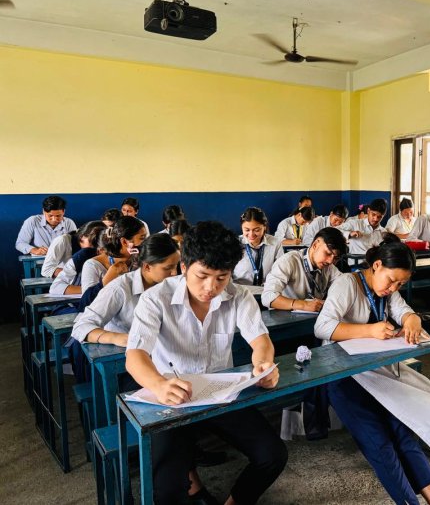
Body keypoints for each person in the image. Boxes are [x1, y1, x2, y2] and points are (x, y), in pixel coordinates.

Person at [126, 221, 287, 504]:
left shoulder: (239, 295)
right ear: (184, 266)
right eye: (202, 276)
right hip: (174, 400)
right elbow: (135, 355)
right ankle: (193, 487)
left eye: (222, 277)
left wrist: (264, 365)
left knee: (272, 455)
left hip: (219, 393)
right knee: (165, 487)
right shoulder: (155, 299)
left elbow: (260, 340)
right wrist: (160, 385)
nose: (211, 287)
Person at [314, 233, 430, 504]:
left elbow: (403, 309)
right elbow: (321, 327)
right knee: (379, 443)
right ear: (377, 266)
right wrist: (370, 330)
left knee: (404, 433)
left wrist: (413, 318)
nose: (393, 288)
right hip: (342, 376)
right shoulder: (347, 284)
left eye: (400, 284)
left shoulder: (388, 291)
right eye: (391, 280)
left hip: (376, 374)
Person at [68, 234, 181, 382]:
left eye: (176, 266)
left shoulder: (173, 286)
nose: (175, 273)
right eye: (168, 268)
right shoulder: (120, 288)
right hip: (127, 363)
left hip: (164, 358)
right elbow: (81, 326)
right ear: (147, 266)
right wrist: (118, 338)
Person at [261, 227, 347, 312]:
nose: (330, 261)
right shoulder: (289, 261)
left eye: (336, 258)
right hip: (283, 318)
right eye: (328, 253)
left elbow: (346, 284)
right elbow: (268, 297)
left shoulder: (329, 267)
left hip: (310, 319)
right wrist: (304, 305)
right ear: (315, 245)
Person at [48, 222, 106, 295]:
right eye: (93, 243)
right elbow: (55, 287)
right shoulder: (83, 254)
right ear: (81, 237)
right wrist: (89, 289)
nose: (95, 249)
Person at [233, 207, 284, 286]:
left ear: (264, 227)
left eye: (256, 230)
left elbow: (280, 271)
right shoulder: (234, 243)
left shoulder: (276, 243)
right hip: (240, 292)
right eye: (247, 230)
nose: (251, 234)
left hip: (267, 291)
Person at [41, 221, 108, 278]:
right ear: (82, 236)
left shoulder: (100, 247)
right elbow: (46, 270)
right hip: (67, 282)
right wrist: (79, 276)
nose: (96, 247)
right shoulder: (63, 240)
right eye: (93, 242)